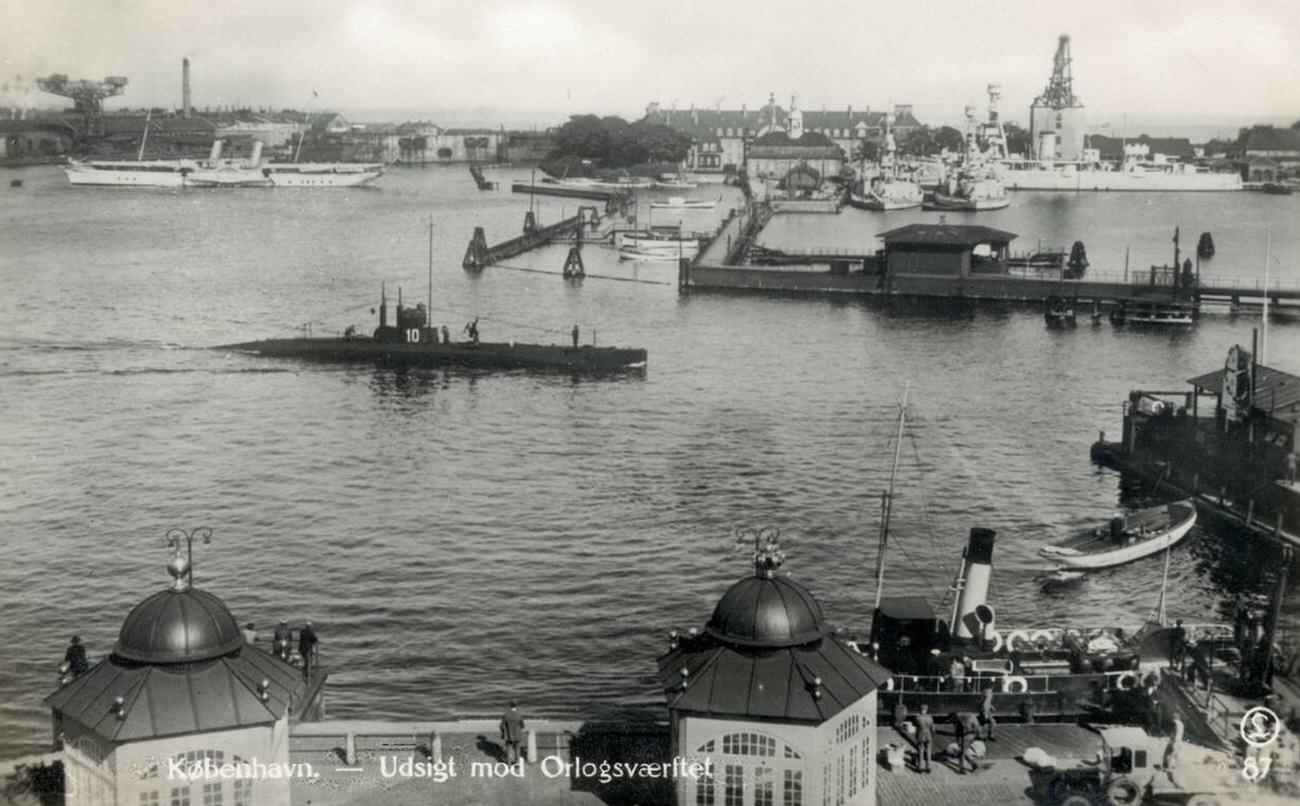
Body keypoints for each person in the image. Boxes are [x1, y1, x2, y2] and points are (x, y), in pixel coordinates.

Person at [913, 704, 934, 773]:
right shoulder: (930, 718)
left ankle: (920, 767)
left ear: (920, 710)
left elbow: (915, 726)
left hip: (920, 735)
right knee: (928, 751)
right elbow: (933, 729)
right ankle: (928, 767)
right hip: (928, 735)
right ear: (926, 710)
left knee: (920, 751)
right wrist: (932, 735)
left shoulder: (918, 718)